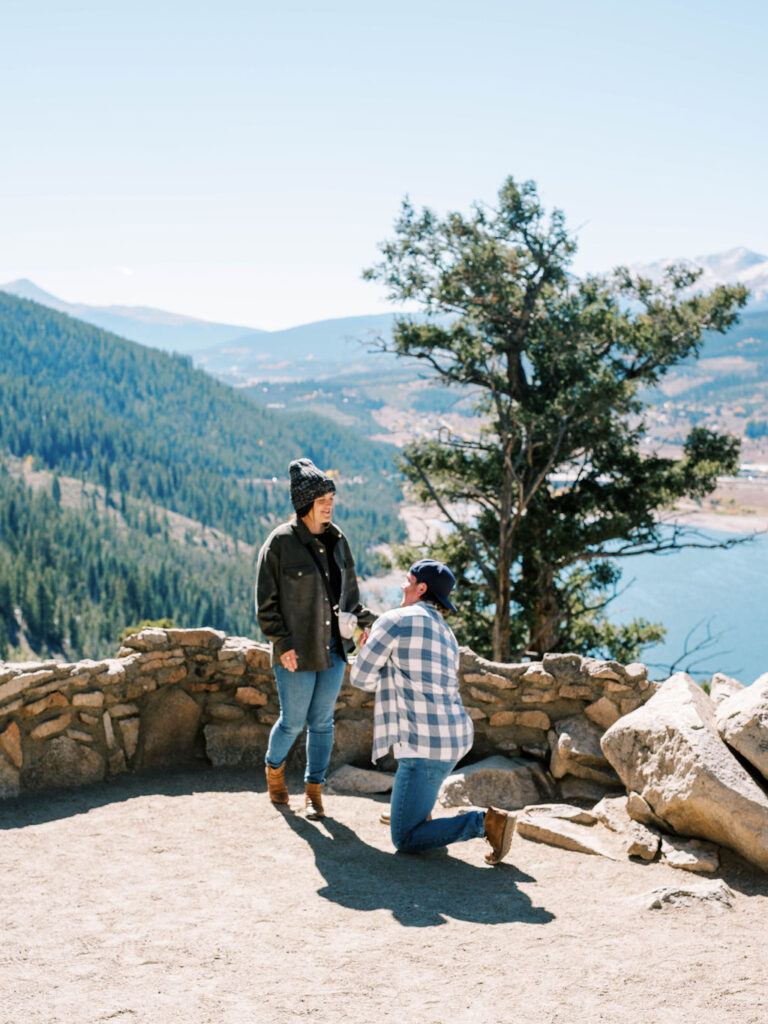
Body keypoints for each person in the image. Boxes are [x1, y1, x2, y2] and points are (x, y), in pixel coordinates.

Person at [349, 559, 514, 864]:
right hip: (455, 736)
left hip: (424, 744)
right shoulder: (447, 634)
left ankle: (486, 823)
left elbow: (360, 678)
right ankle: (421, 811)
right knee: (413, 807)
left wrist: (365, 648)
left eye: (407, 580)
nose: (402, 585)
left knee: (405, 837)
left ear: (421, 588)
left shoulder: (393, 620)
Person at [256, 457, 375, 818]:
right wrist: (283, 644)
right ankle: (274, 772)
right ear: (304, 504)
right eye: (323, 501)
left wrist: (367, 625)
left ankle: (314, 791)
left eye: (332, 500)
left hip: (334, 651)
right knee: (292, 721)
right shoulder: (279, 543)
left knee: (323, 722)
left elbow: (350, 597)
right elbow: (266, 605)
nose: (329, 507)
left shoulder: (339, 540)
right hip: (296, 652)